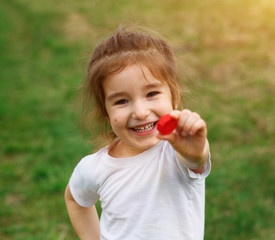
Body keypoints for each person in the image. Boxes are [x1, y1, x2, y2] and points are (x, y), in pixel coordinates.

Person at [64, 26, 211, 240]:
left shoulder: (176, 154)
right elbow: (74, 199)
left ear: (174, 96)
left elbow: (195, 159)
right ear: (106, 112)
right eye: (122, 101)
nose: (140, 112)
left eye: (151, 93)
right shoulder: (94, 168)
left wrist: (196, 151)